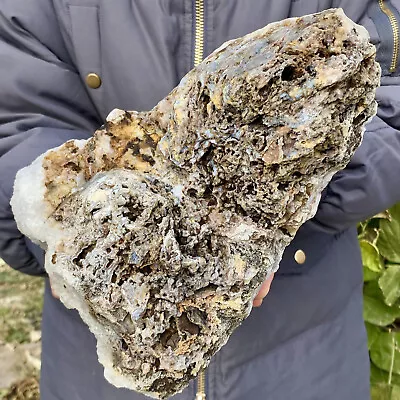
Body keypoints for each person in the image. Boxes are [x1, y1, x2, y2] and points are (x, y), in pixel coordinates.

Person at [0, 1, 400, 399]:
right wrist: (71, 231)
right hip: (97, 357)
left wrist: (283, 194)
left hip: (303, 351)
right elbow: (16, 116)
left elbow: (386, 91)